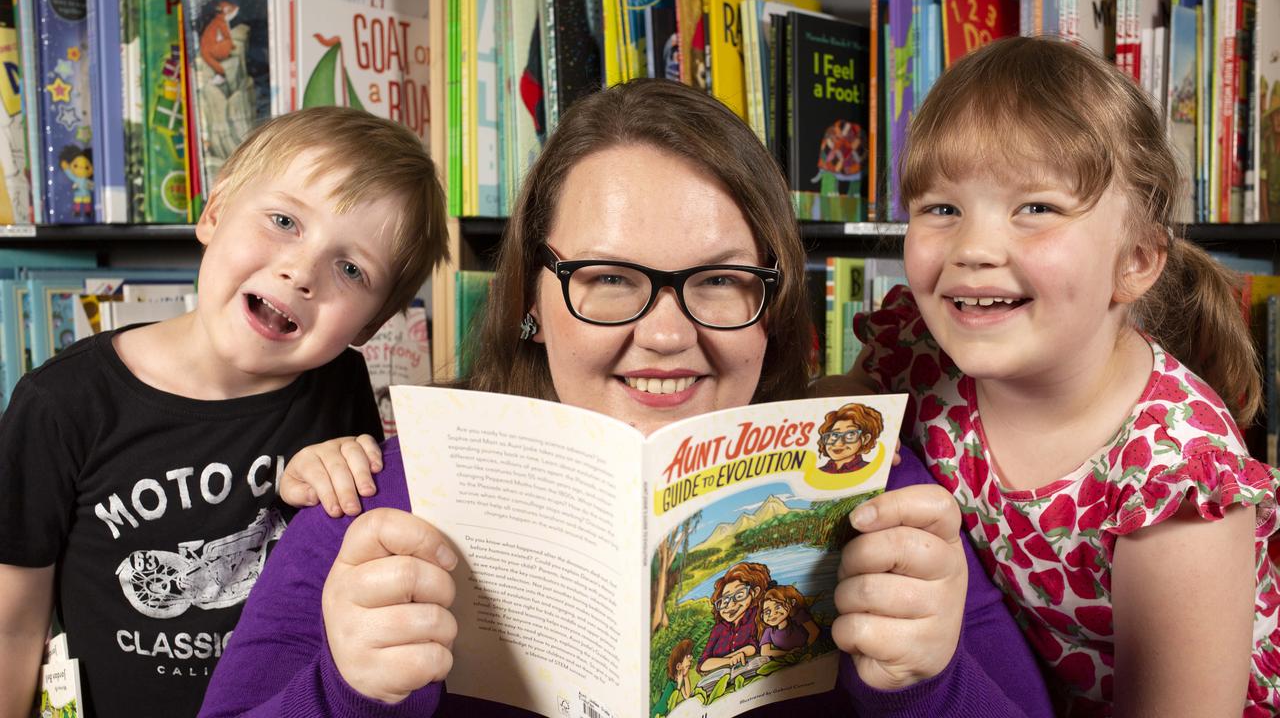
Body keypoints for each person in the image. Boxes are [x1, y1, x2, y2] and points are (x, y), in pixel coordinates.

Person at [198, 78, 1052, 717]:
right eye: (609, 279)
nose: (669, 334)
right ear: (533, 298)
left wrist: (930, 687)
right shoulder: (377, 501)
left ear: (774, 300)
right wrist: (344, 694)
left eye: (718, 281)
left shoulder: (877, 490)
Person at [816, 36, 1280, 715]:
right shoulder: (916, 350)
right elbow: (813, 425)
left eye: (1037, 208)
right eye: (941, 208)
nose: (973, 249)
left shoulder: (1174, 477)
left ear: (1136, 261)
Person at [0, 106, 448, 718]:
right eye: (284, 220)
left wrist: (327, 479)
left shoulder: (340, 385)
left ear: (367, 326)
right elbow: (13, 628)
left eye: (350, 268)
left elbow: (350, 561)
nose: (302, 271)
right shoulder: (61, 403)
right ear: (213, 213)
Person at [697, 562, 772, 673]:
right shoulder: (719, 628)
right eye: (725, 600)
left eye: (739, 595)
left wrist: (720, 661)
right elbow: (702, 664)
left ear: (754, 592)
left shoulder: (757, 615)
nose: (731, 604)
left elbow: (754, 647)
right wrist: (730, 660)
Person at [817, 402, 883, 474]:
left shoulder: (872, 471)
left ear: (866, 439)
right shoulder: (817, 473)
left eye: (850, 435)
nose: (838, 443)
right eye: (834, 435)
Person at [757, 584, 820, 657]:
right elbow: (764, 652)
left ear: (792, 603)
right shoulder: (769, 631)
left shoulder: (799, 616)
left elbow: (814, 631)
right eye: (767, 612)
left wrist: (804, 649)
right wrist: (788, 653)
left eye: (778, 607)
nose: (773, 614)